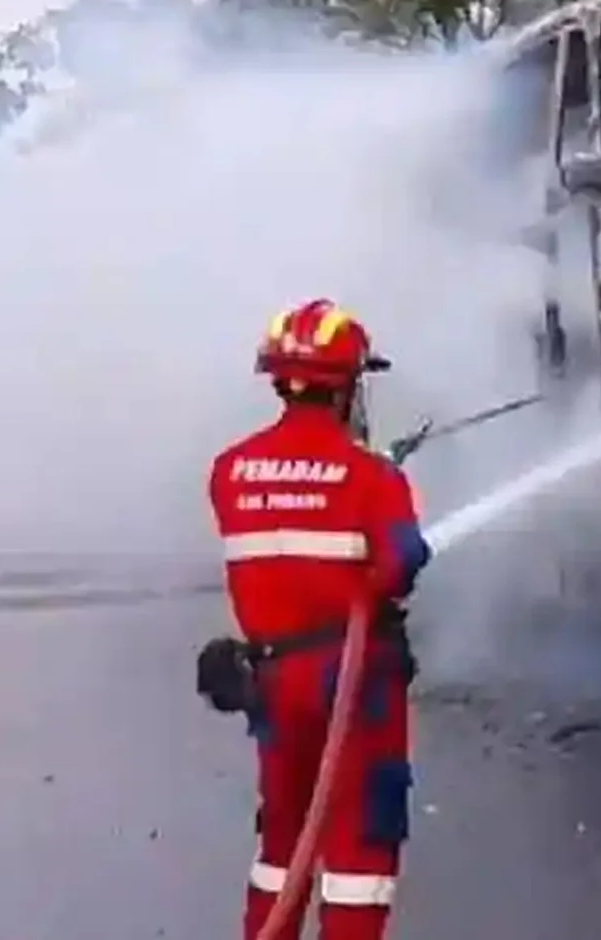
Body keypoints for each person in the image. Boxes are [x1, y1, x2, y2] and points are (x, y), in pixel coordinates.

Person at [203, 298, 431, 940]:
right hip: (352, 684)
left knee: (283, 840)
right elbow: (400, 563)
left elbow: (287, 543)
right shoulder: (372, 477)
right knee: (361, 843)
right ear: (349, 386)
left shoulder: (230, 470)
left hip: (271, 681)